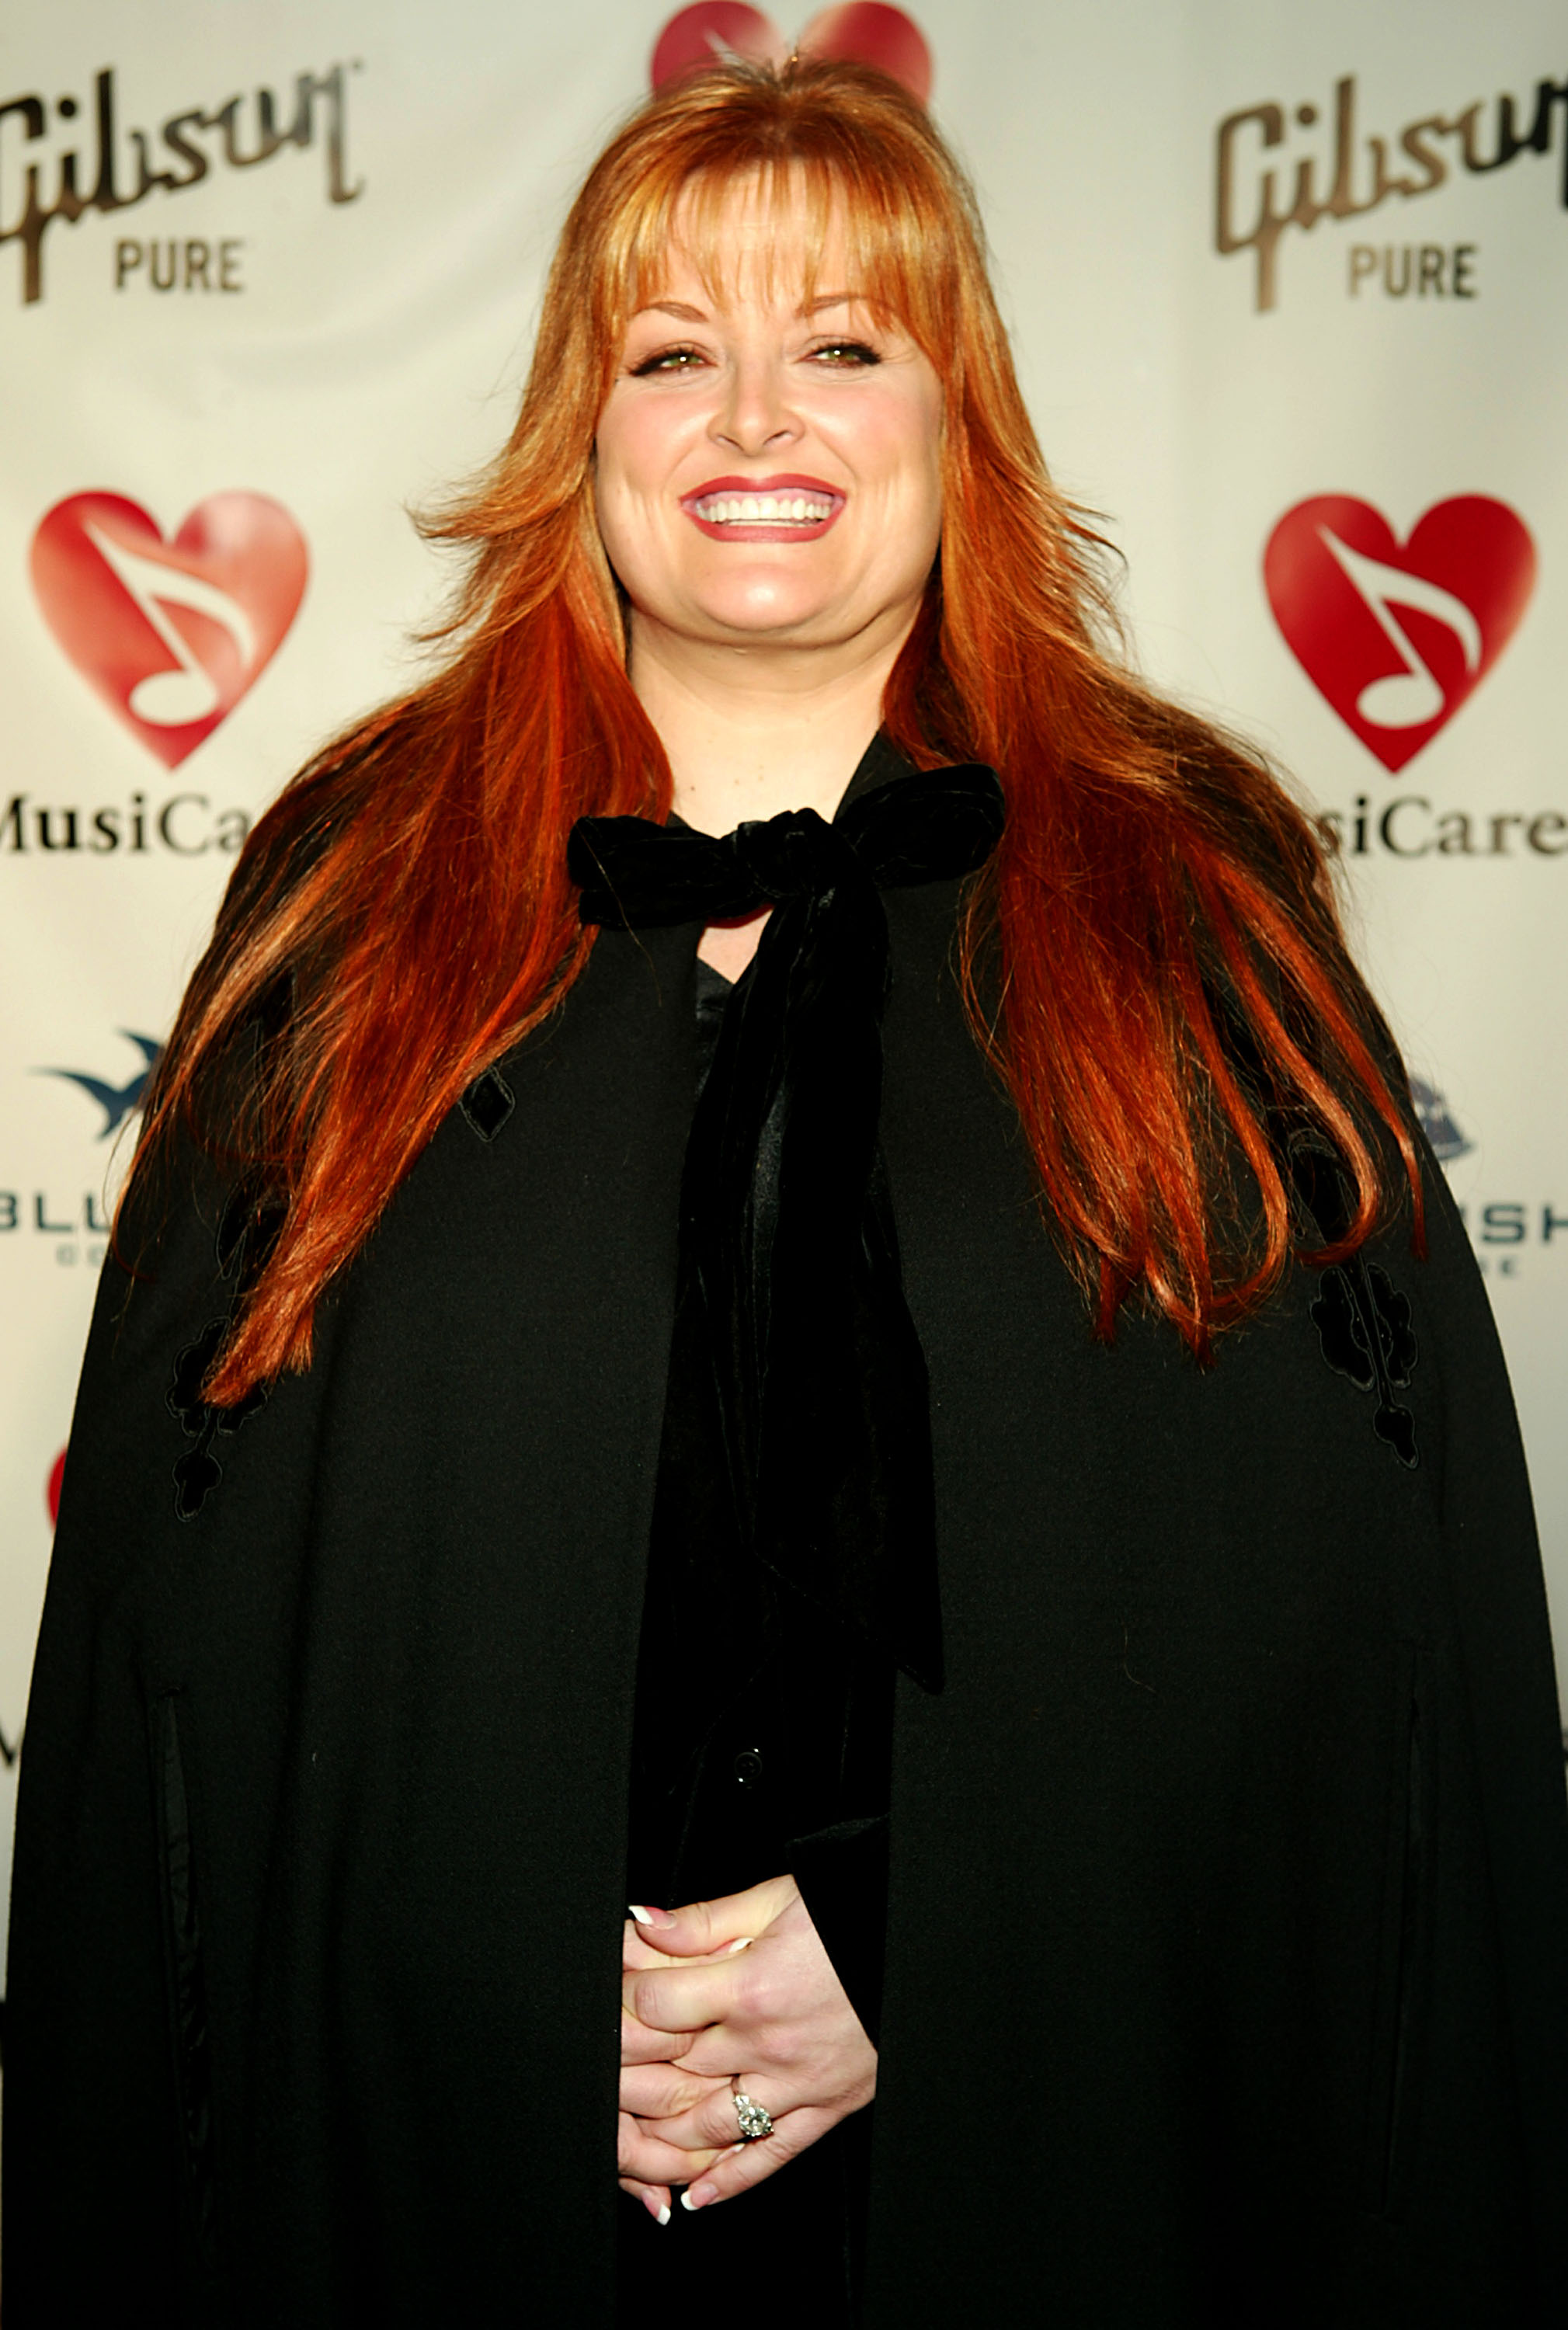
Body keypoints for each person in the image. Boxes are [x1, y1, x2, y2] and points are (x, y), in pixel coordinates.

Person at [5, 54, 1567, 2329]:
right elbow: (194, 1597)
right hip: (442, 2162)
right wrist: (495, 1961)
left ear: (957, 429)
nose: (756, 420)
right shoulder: (362, 891)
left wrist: (933, 1936)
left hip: (1054, 2161)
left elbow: (1355, 1633)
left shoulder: (1184, 894)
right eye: (672, 356)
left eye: (844, 346)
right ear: (586, 432)